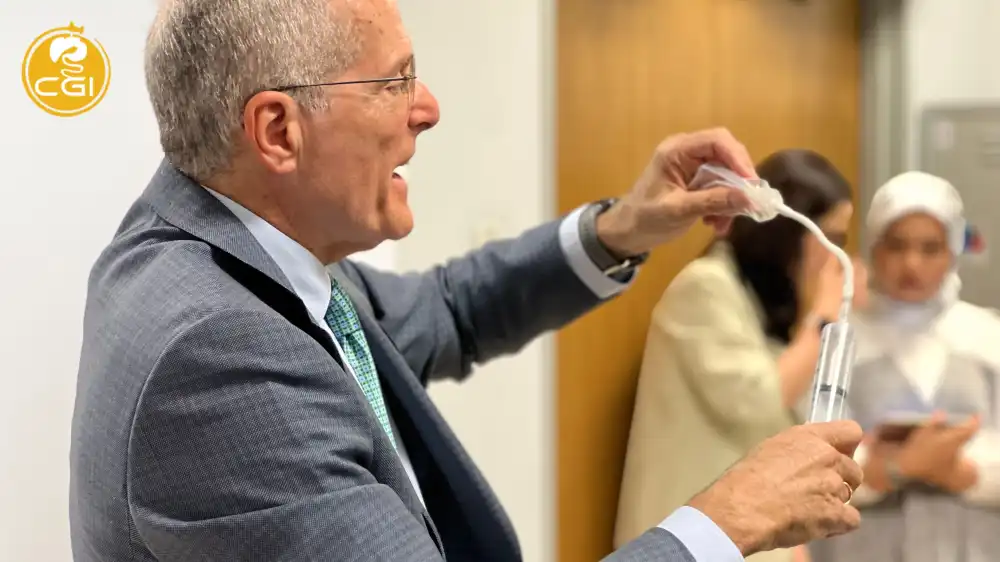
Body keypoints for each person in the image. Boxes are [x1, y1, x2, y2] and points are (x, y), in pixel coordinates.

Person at [68, 1, 863, 561]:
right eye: (393, 82)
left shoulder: (238, 256)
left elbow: (447, 309)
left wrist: (621, 227)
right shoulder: (220, 355)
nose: (429, 108)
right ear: (278, 131)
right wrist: (726, 522)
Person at [614, 149, 867, 562]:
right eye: (832, 238)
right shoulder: (704, 289)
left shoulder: (760, 302)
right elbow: (758, 402)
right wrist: (824, 317)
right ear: (791, 234)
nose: (836, 255)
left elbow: (778, 434)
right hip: (683, 545)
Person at [809, 172, 1000, 562]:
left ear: (952, 251)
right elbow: (806, 462)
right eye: (897, 246)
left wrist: (960, 472)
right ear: (874, 248)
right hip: (861, 546)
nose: (912, 263)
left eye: (930, 248)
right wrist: (891, 468)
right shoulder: (838, 338)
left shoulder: (986, 335)